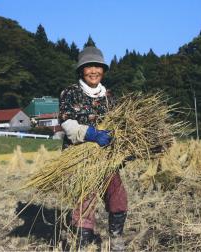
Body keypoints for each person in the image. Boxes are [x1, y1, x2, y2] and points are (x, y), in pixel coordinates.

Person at [59, 46, 127, 250]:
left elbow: (120, 127)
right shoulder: (70, 93)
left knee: (118, 196)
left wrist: (121, 145)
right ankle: (84, 243)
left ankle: (116, 239)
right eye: (89, 67)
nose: (94, 71)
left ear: (103, 69)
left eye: (98, 66)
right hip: (79, 157)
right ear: (81, 70)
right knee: (84, 200)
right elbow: (66, 124)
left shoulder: (110, 96)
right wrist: (91, 134)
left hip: (106, 158)